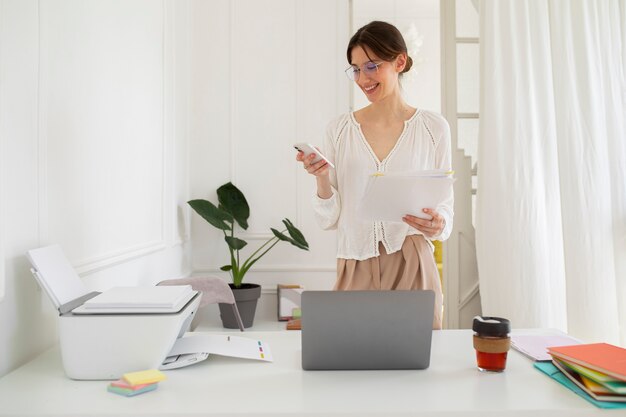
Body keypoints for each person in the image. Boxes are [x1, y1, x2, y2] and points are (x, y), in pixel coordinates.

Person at [296, 21, 453, 330]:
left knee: (418, 366)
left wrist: (439, 222)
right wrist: (322, 179)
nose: (363, 78)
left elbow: (445, 206)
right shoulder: (339, 130)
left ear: (400, 62)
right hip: (355, 260)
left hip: (413, 260)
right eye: (355, 69)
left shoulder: (434, 129)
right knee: (351, 364)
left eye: (371, 66)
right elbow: (328, 219)